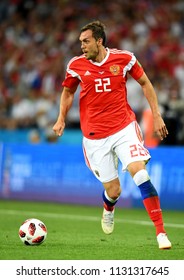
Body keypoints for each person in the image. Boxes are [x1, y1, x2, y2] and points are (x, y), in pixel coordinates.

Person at [53, 20, 171, 249]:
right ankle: (108, 207)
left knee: (139, 173)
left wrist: (156, 115)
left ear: (99, 41)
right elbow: (68, 92)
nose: (82, 46)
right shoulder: (76, 65)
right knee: (114, 190)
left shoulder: (124, 59)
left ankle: (161, 232)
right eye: (80, 42)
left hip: (123, 128)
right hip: (95, 137)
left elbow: (146, 83)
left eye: (86, 41)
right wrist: (61, 118)